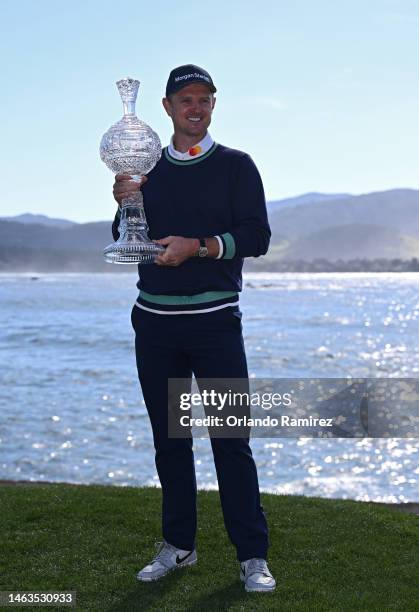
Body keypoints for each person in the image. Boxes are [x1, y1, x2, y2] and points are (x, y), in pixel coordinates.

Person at [111, 64, 276, 593]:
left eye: (205, 99)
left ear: (212, 105)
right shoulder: (145, 167)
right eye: (186, 100)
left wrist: (199, 247)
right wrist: (124, 200)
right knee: (170, 442)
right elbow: (124, 235)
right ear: (166, 107)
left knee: (232, 441)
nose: (196, 108)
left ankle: (252, 556)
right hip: (155, 325)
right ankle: (178, 546)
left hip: (215, 326)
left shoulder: (236, 166)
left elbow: (257, 235)